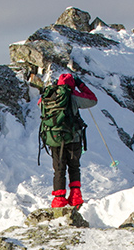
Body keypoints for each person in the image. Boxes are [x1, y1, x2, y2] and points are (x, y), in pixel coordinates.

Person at [34, 72, 97, 208]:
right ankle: (75, 197)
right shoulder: (72, 95)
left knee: (59, 168)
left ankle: (59, 199)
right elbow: (92, 99)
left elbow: (40, 104)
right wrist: (81, 85)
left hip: (54, 137)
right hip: (73, 136)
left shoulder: (49, 96)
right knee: (74, 166)